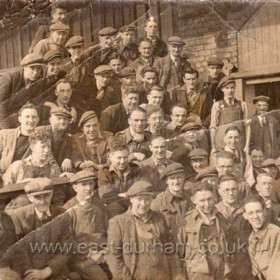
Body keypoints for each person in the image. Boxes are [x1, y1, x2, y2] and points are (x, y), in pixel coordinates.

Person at [106, 180, 184, 280]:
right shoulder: (118, 222)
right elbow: (113, 257)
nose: (143, 203)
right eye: (139, 199)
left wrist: (177, 276)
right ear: (131, 199)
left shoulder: (159, 217)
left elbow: (170, 250)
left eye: (147, 199)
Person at [176, 183, 231, 280]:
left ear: (214, 198)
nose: (207, 204)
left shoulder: (221, 218)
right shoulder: (186, 222)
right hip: (197, 274)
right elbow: (177, 252)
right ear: (194, 200)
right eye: (202, 200)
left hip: (220, 272)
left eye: (210, 199)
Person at [3, 131, 69, 209]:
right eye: (43, 146)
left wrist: (63, 179)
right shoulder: (18, 166)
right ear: (32, 147)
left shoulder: (53, 169)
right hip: (19, 210)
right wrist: (21, 184)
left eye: (49, 146)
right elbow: (4, 192)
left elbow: (58, 197)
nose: (47, 150)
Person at [66, 170, 109, 280]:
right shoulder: (68, 209)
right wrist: (89, 255)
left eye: (91, 183)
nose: (89, 188)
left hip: (103, 252)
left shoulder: (99, 204)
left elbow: (108, 230)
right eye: (83, 184)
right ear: (75, 188)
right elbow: (67, 241)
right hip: (82, 257)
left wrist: (106, 250)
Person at [215, 175, 254, 280]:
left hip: (245, 264)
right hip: (222, 266)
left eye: (234, 189)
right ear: (219, 191)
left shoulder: (248, 209)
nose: (231, 193)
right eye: (226, 190)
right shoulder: (213, 211)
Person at [0, 53, 44, 129]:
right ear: (24, 67)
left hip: (23, 121)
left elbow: (37, 104)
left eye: (38, 68)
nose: (36, 72)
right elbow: (1, 106)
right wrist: (6, 129)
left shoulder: (38, 82)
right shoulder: (9, 79)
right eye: (32, 68)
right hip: (5, 121)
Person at [243, 196, 280, 280]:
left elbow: (276, 271)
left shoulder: (275, 233)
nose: (255, 216)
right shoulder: (252, 237)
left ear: (264, 212)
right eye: (251, 213)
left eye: (258, 211)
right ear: (245, 215)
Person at [98, 144, 139, 218]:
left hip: (134, 204)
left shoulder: (135, 168)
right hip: (116, 207)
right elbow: (105, 195)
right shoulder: (104, 171)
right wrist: (129, 195)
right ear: (111, 157)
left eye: (125, 157)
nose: (122, 161)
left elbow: (140, 189)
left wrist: (124, 195)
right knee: (114, 207)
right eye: (119, 158)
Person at [151, 162, 192, 234]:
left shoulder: (191, 200)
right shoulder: (158, 203)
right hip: (168, 243)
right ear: (167, 181)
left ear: (184, 178)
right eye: (172, 178)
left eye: (179, 177)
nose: (176, 182)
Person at [0, 103, 39, 178]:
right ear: (20, 119)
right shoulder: (4, 135)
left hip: (25, 180)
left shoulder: (40, 139)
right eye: (27, 117)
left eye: (34, 117)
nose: (31, 120)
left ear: (38, 120)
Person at [210, 76, 248, 151]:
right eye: (227, 88)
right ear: (222, 89)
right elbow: (213, 128)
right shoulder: (217, 105)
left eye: (232, 87)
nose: (230, 90)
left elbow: (247, 126)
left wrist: (247, 145)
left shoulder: (242, 104)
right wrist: (213, 147)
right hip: (222, 143)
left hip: (238, 143)